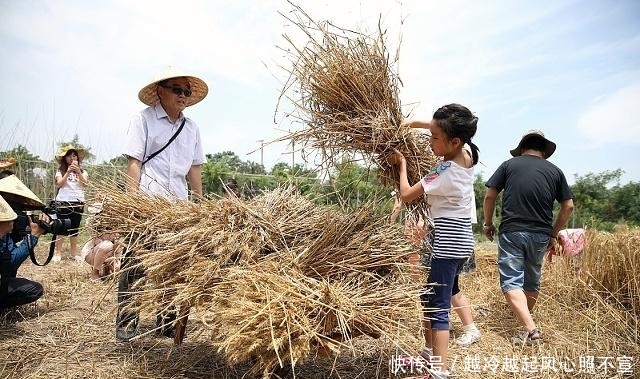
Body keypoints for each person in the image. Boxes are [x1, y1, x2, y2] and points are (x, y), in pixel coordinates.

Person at [116, 66, 208, 342]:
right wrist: (132, 205)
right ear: (160, 91)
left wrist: (200, 204)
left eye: (187, 92)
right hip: (147, 202)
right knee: (135, 266)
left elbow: (193, 168)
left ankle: (167, 323)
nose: (183, 96)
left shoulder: (191, 128)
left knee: (174, 266)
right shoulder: (143, 120)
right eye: (177, 90)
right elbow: (134, 162)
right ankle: (127, 324)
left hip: (178, 207)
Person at [388, 104, 479, 379]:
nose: (430, 142)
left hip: (447, 244)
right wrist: (410, 124)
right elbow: (439, 127)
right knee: (430, 296)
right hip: (460, 241)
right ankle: (428, 356)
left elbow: (405, 195)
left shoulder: (444, 173)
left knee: (437, 306)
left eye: (435, 138)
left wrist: (402, 164)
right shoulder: (467, 153)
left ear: (454, 141)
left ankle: (438, 372)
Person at [483, 130, 574, 345]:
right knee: (531, 280)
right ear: (543, 150)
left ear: (522, 148)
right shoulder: (556, 171)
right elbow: (568, 206)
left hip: (512, 231)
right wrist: (553, 232)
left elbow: (489, 195)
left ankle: (531, 329)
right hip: (541, 234)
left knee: (512, 280)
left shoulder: (508, 165)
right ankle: (526, 325)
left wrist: (488, 223)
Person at [0, 195, 46, 310]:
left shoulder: (5, 237)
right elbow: (10, 264)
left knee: (35, 289)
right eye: (10, 220)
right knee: (33, 290)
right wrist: (34, 236)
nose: (13, 223)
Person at [53, 145, 88, 262]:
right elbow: (59, 184)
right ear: (65, 158)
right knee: (61, 228)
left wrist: (78, 172)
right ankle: (57, 253)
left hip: (77, 203)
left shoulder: (83, 172)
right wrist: (68, 172)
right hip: (63, 202)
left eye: (74, 156)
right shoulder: (60, 171)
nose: (72, 158)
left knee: (75, 229)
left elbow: (85, 184)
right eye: (69, 156)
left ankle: (73, 253)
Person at [80, 197, 120, 281]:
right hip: (92, 253)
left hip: (112, 253)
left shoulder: (116, 223)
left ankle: (107, 269)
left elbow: (117, 243)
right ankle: (95, 273)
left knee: (118, 268)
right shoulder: (92, 222)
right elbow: (97, 242)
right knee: (106, 245)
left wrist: (115, 259)